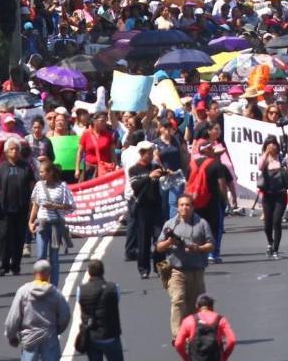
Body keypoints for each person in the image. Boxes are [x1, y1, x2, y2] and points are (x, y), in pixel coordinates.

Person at [157, 194, 215, 338]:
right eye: (181, 205)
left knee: (194, 305)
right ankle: (177, 336)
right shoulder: (170, 224)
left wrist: (198, 248)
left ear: (193, 207)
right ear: (177, 207)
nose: (184, 207)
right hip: (176, 270)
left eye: (187, 205)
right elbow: (159, 247)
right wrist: (169, 242)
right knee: (178, 300)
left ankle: (193, 333)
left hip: (196, 271)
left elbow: (211, 245)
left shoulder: (202, 223)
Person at [3, 258, 71, 361]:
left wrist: (11, 335)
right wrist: (57, 329)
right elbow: (65, 316)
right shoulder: (55, 293)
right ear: (48, 274)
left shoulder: (24, 291)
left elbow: (14, 316)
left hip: (29, 336)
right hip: (49, 335)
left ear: (34, 272)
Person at [28, 163, 75, 287]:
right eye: (40, 172)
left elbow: (71, 206)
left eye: (43, 172)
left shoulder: (62, 187)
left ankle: (53, 286)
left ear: (50, 173)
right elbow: (36, 205)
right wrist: (31, 221)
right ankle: (40, 284)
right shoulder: (39, 186)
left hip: (55, 225)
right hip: (42, 223)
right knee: (40, 256)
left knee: (54, 257)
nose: (40, 174)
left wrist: (55, 206)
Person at [0, 138, 35, 277]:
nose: (14, 151)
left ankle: (16, 265)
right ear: (6, 152)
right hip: (4, 208)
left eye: (17, 149)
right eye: (11, 149)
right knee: (4, 236)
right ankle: (4, 264)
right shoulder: (1, 167)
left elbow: (31, 185)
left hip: (21, 207)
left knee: (19, 237)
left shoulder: (26, 166)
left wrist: (32, 203)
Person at [127, 144, 166, 279]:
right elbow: (135, 186)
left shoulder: (155, 166)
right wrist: (149, 177)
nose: (150, 156)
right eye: (148, 154)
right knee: (144, 239)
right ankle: (143, 268)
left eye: (152, 153)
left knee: (160, 238)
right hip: (142, 208)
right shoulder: (134, 169)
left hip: (156, 206)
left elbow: (166, 173)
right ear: (142, 154)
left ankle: (160, 266)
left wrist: (165, 170)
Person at [76, 260, 123, 361]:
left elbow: (81, 304)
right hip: (111, 334)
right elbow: (117, 301)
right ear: (102, 271)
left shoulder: (81, 290)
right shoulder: (113, 288)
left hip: (92, 336)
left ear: (89, 272)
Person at [257, 137, 288, 260]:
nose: (272, 146)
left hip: (280, 194)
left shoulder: (283, 158)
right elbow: (260, 167)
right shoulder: (264, 158)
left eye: (274, 144)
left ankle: (276, 249)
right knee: (267, 223)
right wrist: (267, 153)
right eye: (269, 144)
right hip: (268, 194)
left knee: (276, 221)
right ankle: (270, 242)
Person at [174, 294, 236, 361]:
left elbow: (178, 343)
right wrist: (225, 356)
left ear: (197, 306)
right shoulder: (220, 320)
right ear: (212, 306)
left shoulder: (188, 320)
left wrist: (186, 358)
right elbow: (232, 340)